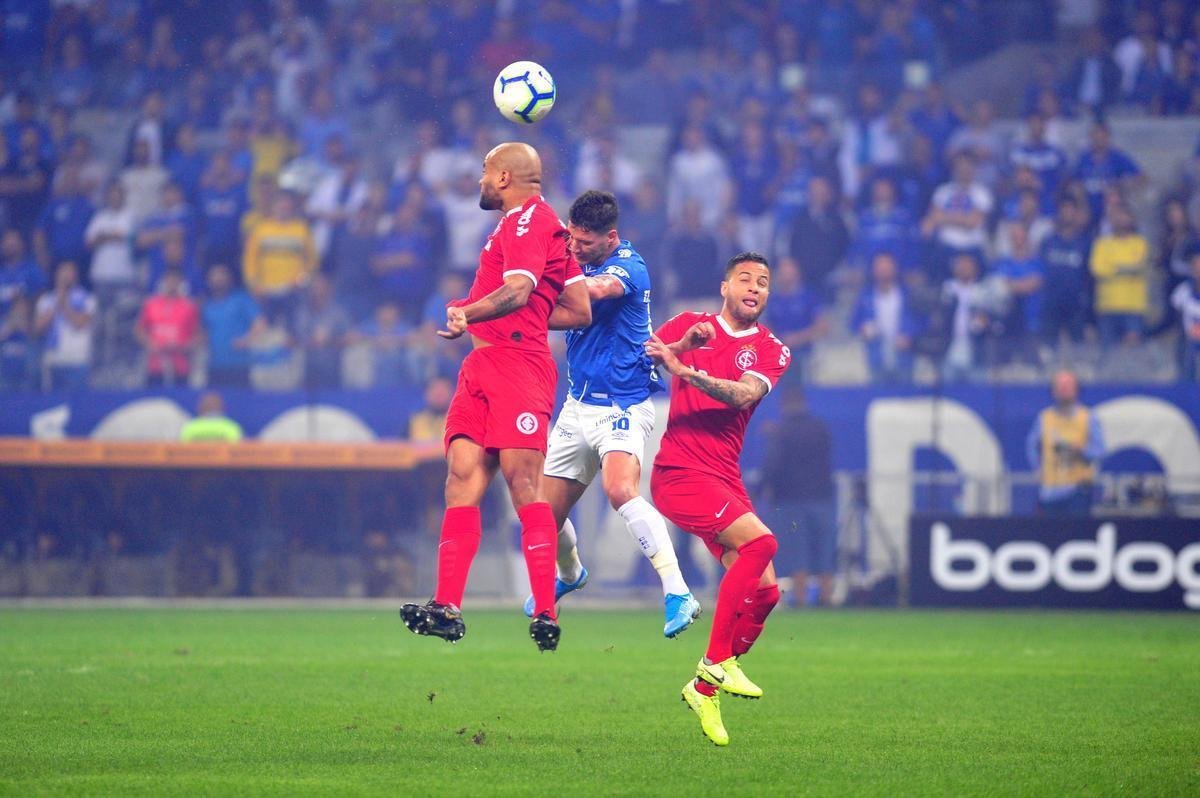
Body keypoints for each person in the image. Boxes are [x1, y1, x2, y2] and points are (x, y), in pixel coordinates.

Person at [400, 142, 591, 652]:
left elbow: (520, 290)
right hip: (482, 364)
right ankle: (447, 607)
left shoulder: (530, 220)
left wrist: (472, 312)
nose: (481, 180)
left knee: (522, 481)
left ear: (504, 176)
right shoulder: (525, 227)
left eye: (486, 171)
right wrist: (511, 313)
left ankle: (545, 610)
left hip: (519, 365)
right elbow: (576, 309)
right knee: (461, 476)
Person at [531, 190, 698, 637]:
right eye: (571, 239)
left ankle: (678, 591)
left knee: (620, 490)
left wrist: (532, 290)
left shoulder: (630, 265)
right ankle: (570, 575)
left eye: (585, 243)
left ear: (611, 238)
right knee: (544, 516)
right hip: (577, 405)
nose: (575, 248)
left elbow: (599, 289)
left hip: (623, 404)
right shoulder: (571, 256)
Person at [644, 251, 791, 747]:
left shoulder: (774, 350)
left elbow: (744, 395)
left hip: (723, 475)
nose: (755, 287)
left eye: (764, 282)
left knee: (767, 592)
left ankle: (704, 687)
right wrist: (679, 348)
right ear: (725, 287)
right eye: (745, 278)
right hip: (680, 472)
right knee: (762, 545)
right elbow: (642, 354)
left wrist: (684, 370)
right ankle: (716, 661)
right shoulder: (691, 324)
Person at [758, 387, 836, 608]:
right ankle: (826, 597)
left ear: (784, 405)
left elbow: (772, 466)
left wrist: (759, 491)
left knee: (797, 549)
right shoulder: (820, 429)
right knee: (824, 549)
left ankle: (801, 599)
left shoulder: (781, 431)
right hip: (822, 496)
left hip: (790, 499)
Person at [1026, 370, 1104, 515]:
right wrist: (1037, 469)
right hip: (1049, 491)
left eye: (1068, 386)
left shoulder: (1087, 417)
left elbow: (1099, 450)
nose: (1063, 390)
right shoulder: (1045, 418)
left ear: (1076, 389)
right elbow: (1032, 445)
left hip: (1077, 491)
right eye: (1060, 386)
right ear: (1053, 391)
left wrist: (1081, 451)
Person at [34, 260, 95, 392]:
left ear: (76, 275)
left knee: (79, 401)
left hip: (78, 359)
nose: (66, 275)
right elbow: (38, 329)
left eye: (70, 271)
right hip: (53, 359)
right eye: (64, 271)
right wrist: (56, 304)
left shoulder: (87, 298)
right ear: (57, 274)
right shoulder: (46, 300)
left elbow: (80, 324)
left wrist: (65, 305)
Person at [136, 267, 199, 387]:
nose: (172, 284)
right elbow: (139, 329)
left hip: (180, 364)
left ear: (181, 283)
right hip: (155, 363)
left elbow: (198, 334)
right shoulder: (151, 304)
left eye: (176, 281)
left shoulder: (189, 306)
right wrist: (150, 344)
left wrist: (185, 347)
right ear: (163, 282)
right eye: (169, 281)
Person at [1170, 249, 1200, 381]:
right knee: (1187, 349)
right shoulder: (1183, 291)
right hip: (1189, 339)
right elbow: (1176, 314)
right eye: (1196, 268)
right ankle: (1186, 386)